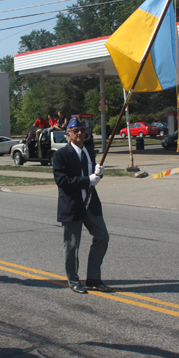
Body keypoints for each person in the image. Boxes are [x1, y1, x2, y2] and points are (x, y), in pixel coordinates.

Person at [52, 117, 112, 294]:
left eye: (82, 130)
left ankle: (93, 278)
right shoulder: (61, 155)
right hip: (73, 204)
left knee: (102, 237)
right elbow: (62, 180)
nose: (80, 133)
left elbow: (93, 176)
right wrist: (88, 180)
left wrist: (98, 174)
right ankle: (74, 280)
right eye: (76, 130)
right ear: (68, 134)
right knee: (72, 245)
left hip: (91, 203)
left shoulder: (89, 151)